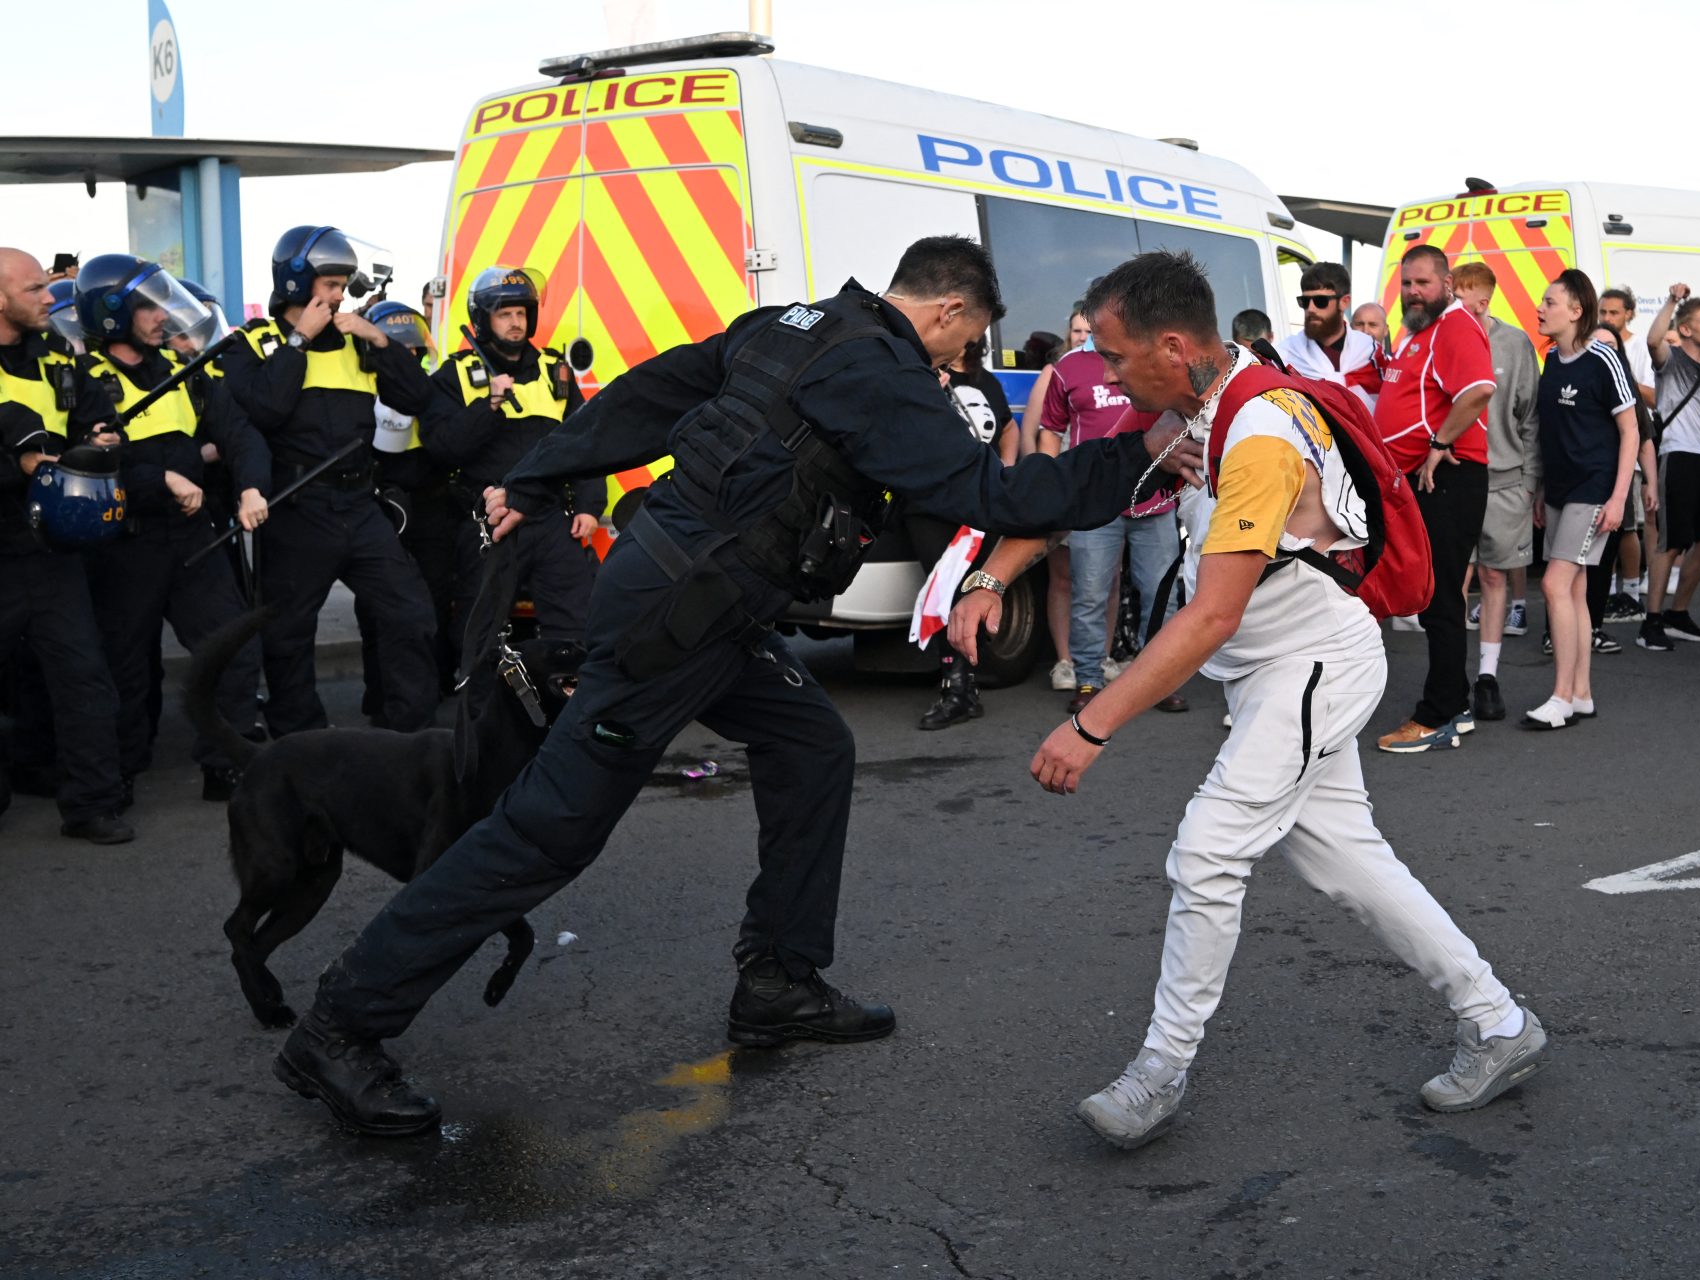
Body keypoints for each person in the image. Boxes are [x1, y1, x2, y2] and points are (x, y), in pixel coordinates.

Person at [270, 236, 1202, 1136]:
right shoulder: (881, 372)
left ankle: (778, 982)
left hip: (691, 597)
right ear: (950, 307)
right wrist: (1143, 453)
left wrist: (538, 470)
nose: (965, 357)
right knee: (544, 834)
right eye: (969, 338)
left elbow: (646, 395)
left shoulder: (789, 325)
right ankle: (341, 1028)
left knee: (811, 743)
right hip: (675, 621)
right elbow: (996, 500)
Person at [949, 250, 1545, 1149]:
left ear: (1175, 346)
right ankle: (1498, 1023)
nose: (1104, 377)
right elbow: (1090, 491)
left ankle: (1160, 1070)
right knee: (1352, 861)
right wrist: (994, 576)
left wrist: (1090, 722)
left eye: (1115, 359)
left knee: (1207, 851)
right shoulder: (1207, 411)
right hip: (1286, 674)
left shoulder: (1258, 434)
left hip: (1311, 670)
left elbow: (1213, 615)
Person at [219, 226, 441, 736]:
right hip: (299, 508)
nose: (341, 294)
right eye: (331, 284)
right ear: (298, 285)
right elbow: (266, 410)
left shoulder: (358, 343)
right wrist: (299, 343)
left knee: (410, 613)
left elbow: (418, 399)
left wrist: (380, 341)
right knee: (289, 634)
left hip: (361, 505)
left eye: (343, 284)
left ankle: (409, 731)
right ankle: (301, 742)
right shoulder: (251, 345)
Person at [71, 255, 270, 803]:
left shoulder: (182, 372)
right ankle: (122, 771)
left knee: (231, 645)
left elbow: (237, 434)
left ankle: (223, 766)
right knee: (126, 666)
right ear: (112, 314)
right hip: (124, 542)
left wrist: (251, 484)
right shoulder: (84, 381)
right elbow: (81, 463)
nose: (162, 316)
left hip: (190, 535)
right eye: (146, 306)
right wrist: (164, 475)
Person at [0, 246, 132, 843]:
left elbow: (95, 416)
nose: (49, 297)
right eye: (33, 290)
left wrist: (99, 437)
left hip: (51, 549)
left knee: (83, 676)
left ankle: (91, 805)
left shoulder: (58, 353)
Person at [426, 267, 599, 649]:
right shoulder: (456, 375)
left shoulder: (557, 372)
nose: (516, 322)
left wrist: (588, 505)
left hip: (551, 520)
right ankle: (484, 708)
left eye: (521, 313)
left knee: (579, 629)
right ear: (483, 319)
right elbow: (441, 447)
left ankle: (567, 706)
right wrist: (490, 405)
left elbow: (584, 442)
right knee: (481, 637)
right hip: (490, 524)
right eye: (504, 314)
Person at [1373, 244, 1496, 752]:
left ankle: (1438, 714)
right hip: (1418, 479)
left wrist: (1440, 444)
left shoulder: (1454, 327)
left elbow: (1480, 390)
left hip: (1447, 477)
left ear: (1447, 285)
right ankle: (1457, 703)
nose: (1412, 292)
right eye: (1406, 284)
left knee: (1441, 598)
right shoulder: (1416, 334)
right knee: (1434, 596)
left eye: (1422, 283)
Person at [1041, 317, 1187, 714]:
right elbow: (1050, 429)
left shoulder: (1150, 359)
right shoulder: (1068, 367)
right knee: (1089, 594)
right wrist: (1051, 490)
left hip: (1155, 500)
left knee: (1162, 595)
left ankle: (1157, 683)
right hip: (1096, 504)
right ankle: (1087, 680)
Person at [1524, 271, 1638, 728]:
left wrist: (1618, 498)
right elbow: (1554, 435)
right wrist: (1541, 490)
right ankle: (1582, 694)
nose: (1540, 308)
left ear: (1576, 311)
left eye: (1549, 302)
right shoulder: (1551, 359)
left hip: (1593, 490)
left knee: (1553, 585)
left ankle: (1561, 696)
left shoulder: (1603, 359)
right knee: (1571, 589)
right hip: (1560, 490)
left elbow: (1630, 430)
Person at [358, 301, 463, 703]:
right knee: (374, 608)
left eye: (414, 349)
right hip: (382, 507)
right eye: (401, 350)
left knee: (434, 602)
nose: (411, 357)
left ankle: (435, 682)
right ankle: (378, 690)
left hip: (433, 508)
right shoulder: (362, 386)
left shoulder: (433, 388)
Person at [1448, 262, 1539, 722]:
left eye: (1460, 296)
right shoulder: (1442, 338)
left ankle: (1488, 677)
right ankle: (1453, 677)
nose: (1453, 305)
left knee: (1494, 578)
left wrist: (1529, 483)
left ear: (1482, 300)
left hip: (1504, 481)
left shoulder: (1515, 343)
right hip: (1454, 475)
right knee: (1454, 581)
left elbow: (1530, 417)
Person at [909, 336, 1013, 730]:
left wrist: (1004, 476)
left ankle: (962, 687)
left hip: (977, 505)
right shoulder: (921, 379)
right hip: (929, 505)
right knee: (942, 592)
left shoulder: (986, 381)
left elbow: (1007, 430)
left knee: (968, 591)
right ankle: (956, 688)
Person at [1637, 286, 1700, 650]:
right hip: (1679, 457)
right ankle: (1651, 621)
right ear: (1686, 329)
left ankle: (1678, 614)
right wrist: (1672, 301)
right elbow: (1653, 338)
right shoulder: (1670, 360)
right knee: (1670, 542)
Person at [1021, 304, 1091, 691]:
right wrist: (1039, 488)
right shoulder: (1055, 372)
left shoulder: (1106, 370)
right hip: (1064, 490)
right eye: (1076, 331)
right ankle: (1064, 661)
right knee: (1063, 578)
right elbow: (1033, 434)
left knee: (1104, 580)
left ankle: (1098, 656)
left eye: (1088, 331)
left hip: (1092, 492)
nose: (1082, 337)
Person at [1597, 288, 1659, 621]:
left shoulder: (1637, 349)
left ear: (1630, 313)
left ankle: (1632, 593)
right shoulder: (1596, 345)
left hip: (1630, 454)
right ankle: (1605, 593)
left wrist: (1624, 380)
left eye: (1614, 313)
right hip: (1601, 456)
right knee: (1604, 529)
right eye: (1603, 312)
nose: (1607, 318)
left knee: (1627, 528)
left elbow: (1653, 398)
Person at [1277, 262, 1384, 409]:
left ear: (1344, 302)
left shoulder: (1370, 351)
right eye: (1305, 301)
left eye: (1320, 301)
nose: (1311, 309)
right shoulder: (1285, 354)